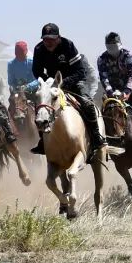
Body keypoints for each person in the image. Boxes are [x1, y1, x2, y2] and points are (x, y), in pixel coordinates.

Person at [30, 23, 108, 161]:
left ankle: (97, 139)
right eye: (45, 39)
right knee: (40, 108)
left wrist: (63, 83)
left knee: (88, 104)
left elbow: (80, 71)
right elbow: (37, 71)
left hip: (75, 82)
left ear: (58, 38)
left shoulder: (68, 46)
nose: (48, 42)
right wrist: (50, 82)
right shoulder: (39, 49)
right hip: (53, 84)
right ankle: (43, 142)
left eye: (51, 39)